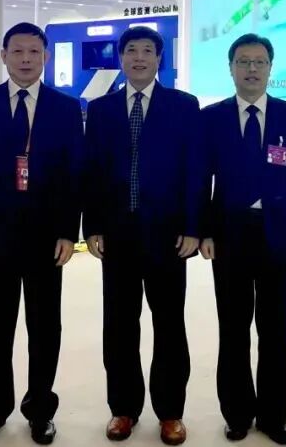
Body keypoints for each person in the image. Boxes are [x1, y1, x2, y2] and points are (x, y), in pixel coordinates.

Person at [0, 22, 84, 446]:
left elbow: (74, 176)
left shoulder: (66, 108)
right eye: (18, 51)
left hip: (47, 237)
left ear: (45, 56)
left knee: (45, 327)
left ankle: (40, 410)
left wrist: (68, 232)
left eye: (34, 52)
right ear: (3, 56)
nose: (26, 59)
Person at [83, 25, 205, 446]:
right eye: (131, 50)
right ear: (121, 58)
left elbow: (195, 171)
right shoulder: (101, 109)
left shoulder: (183, 106)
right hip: (117, 236)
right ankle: (123, 408)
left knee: (169, 324)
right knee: (119, 325)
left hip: (168, 236)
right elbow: (91, 172)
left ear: (159, 59)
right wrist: (92, 226)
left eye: (147, 51)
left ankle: (170, 412)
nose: (138, 58)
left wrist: (194, 227)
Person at [199, 34, 286, 445]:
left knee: (275, 330)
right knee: (233, 330)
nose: (251, 69)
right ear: (231, 67)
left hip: (279, 235)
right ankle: (236, 413)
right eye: (243, 61)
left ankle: (273, 416)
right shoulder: (212, 118)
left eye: (259, 62)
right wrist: (205, 231)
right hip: (229, 236)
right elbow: (201, 180)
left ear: (270, 68)